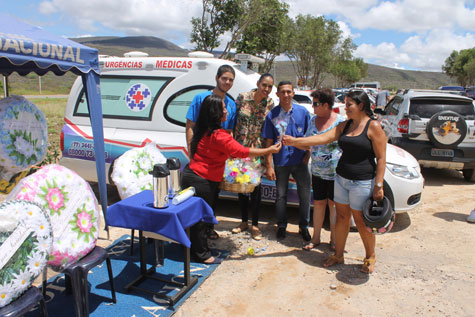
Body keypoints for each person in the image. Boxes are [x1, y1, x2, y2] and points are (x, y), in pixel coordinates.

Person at [283, 90, 387, 274]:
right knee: (341, 218)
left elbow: (381, 158)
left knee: (361, 221)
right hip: (341, 179)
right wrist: (294, 142)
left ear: (361, 106)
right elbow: (322, 138)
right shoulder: (345, 126)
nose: (345, 108)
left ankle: (370, 256)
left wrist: (378, 185)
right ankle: (338, 254)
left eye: (349, 104)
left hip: (362, 182)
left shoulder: (373, 127)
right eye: (345, 104)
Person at [181, 94, 281, 264]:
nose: (227, 110)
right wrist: (268, 150)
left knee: (196, 216)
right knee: (200, 219)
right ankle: (201, 254)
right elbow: (242, 151)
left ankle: (192, 246)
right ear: (216, 113)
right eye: (223, 108)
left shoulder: (204, 130)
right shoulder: (219, 136)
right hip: (201, 180)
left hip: (193, 175)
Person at [185, 64, 236, 240]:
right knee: (197, 197)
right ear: (217, 78)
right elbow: (190, 125)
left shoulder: (231, 105)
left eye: (231, 80)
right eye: (224, 78)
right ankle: (194, 234)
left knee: (213, 194)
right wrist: (192, 150)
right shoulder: (201, 98)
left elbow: (228, 133)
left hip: (217, 161)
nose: (227, 82)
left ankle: (208, 229)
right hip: (201, 159)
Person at [262, 81, 312, 241]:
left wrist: (307, 155)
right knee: (281, 196)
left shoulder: (303, 112)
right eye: (282, 92)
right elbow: (268, 143)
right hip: (281, 162)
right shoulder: (272, 115)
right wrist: (269, 166)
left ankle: (304, 227)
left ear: (293, 93)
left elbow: (310, 136)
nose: (285, 95)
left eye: (288, 91)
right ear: (277, 94)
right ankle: (281, 225)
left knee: (304, 195)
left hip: (300, 161)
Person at [231, 73, 275, 240]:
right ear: (258, 83)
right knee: (242, 187)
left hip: (258, 150)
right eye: (264, 85)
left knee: (256, 188)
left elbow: (271, 127)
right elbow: (232, 120)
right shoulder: (242, 98)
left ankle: (255, 225)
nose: (267, 89)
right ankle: (243, 222)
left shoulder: (269, 103)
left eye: (270, 86)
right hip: (240, 148)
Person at [302, 88, 346, 251]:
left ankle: (334, 240)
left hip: (335, 173)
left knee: (333, 206)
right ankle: (316, 238)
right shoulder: (313, 121)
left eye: (315, 104)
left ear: (326, 105)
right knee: (319, 204)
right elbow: (308, 140)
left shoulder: (340, 121)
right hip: (317, 172)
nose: (313, 107)